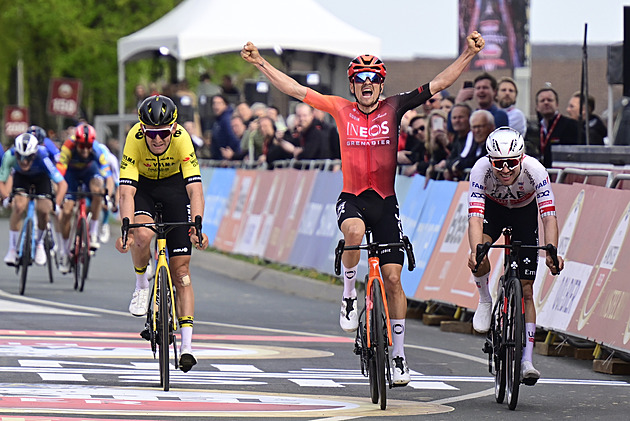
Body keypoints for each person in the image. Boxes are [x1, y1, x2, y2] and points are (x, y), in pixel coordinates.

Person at [241, 30, 485, 386]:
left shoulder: (395, 106)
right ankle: (348, 295)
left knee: (393, 280)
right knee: (353, 233)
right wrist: (261, 62)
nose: (366, 83)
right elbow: (295, 90)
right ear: (352, 86)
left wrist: (468, 53)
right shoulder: (340, 109)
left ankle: (399, 356)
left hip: (385, 202)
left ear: (380, 85)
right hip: (353, 197)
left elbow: (438, 83)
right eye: (359, 79)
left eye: (372, 79)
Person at [115, 94, 209, 373]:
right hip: (142, 188)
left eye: (163, 134)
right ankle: (142, 284)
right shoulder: (134, 138)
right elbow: (126, 192)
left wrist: (198, 225)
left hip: (173, 189)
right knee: (142, 235)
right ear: (143, 130)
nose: (157, 140)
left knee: (182, 273)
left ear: (173, 129)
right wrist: (126, 230)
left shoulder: (182, 138)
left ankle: (188, 347)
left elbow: (195, 189)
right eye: (152, 134)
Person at [467, 126, 564, 383]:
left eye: (511, 162)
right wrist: (476, 250)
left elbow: (548, 215)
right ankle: (486, 300)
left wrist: (552, 250)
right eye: (499, 163)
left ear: (521, 158)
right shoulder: (480, 170)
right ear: (490, 160)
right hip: (493, 210)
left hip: (523, 212)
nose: (505, 169)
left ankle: (526, 361)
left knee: (527, 289)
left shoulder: (536, 170)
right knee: (479, 254)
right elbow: (475, 218)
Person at [0, 133, 67, 266]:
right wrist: (6, 198)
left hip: (41, 179)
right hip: (21, 178)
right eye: (20, 157)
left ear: (34, 154)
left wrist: (57, 204)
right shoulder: (10, 156)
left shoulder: (43, 157)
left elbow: (62, 184)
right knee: (18, 206)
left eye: (28, 157)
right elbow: (1, 181)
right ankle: (12, 249)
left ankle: (39, 243)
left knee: (43, 210)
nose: (24, 161)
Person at [57, 123, 112, 272]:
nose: (86, 149)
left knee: (97, 191)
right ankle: (64, 251)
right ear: (77, 143)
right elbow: (60, 170)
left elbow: (108, 175)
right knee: (67, 211)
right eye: (82, 146)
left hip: (89, 172)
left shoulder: (97, 149)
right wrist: (59, 192)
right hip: (71, 175)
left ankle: (93, 232)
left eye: (88, 146)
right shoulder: (68, 146)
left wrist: (108, 194)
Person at [535, 87, 579, 168]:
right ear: (537, 107)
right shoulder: (535, 129)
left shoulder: (571, 125)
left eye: (550, 100)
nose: (546, 103)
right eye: (542, 100)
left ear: (557, 104)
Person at [452, 109, 495, 175]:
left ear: (491, 127)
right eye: (474, 127)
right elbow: (462, 158)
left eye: (480, 127)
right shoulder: (473, 143)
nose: (477, 131)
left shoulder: (495, 145)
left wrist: (459, 165)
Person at [444, 103, 472, 180]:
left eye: (461, 117)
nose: (457, 120)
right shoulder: (458, 138)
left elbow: (462, 160)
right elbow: (450, 159)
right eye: (454, 118)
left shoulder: (473, 137)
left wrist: (452, 166)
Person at [210, 95, 241, 160]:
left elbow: (232, 137)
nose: (216, 106)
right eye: (214, 103)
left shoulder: (226, 120)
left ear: (225, 105)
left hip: (227, 158)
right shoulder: (218, 120)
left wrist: (233, 154)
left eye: (219, 103)